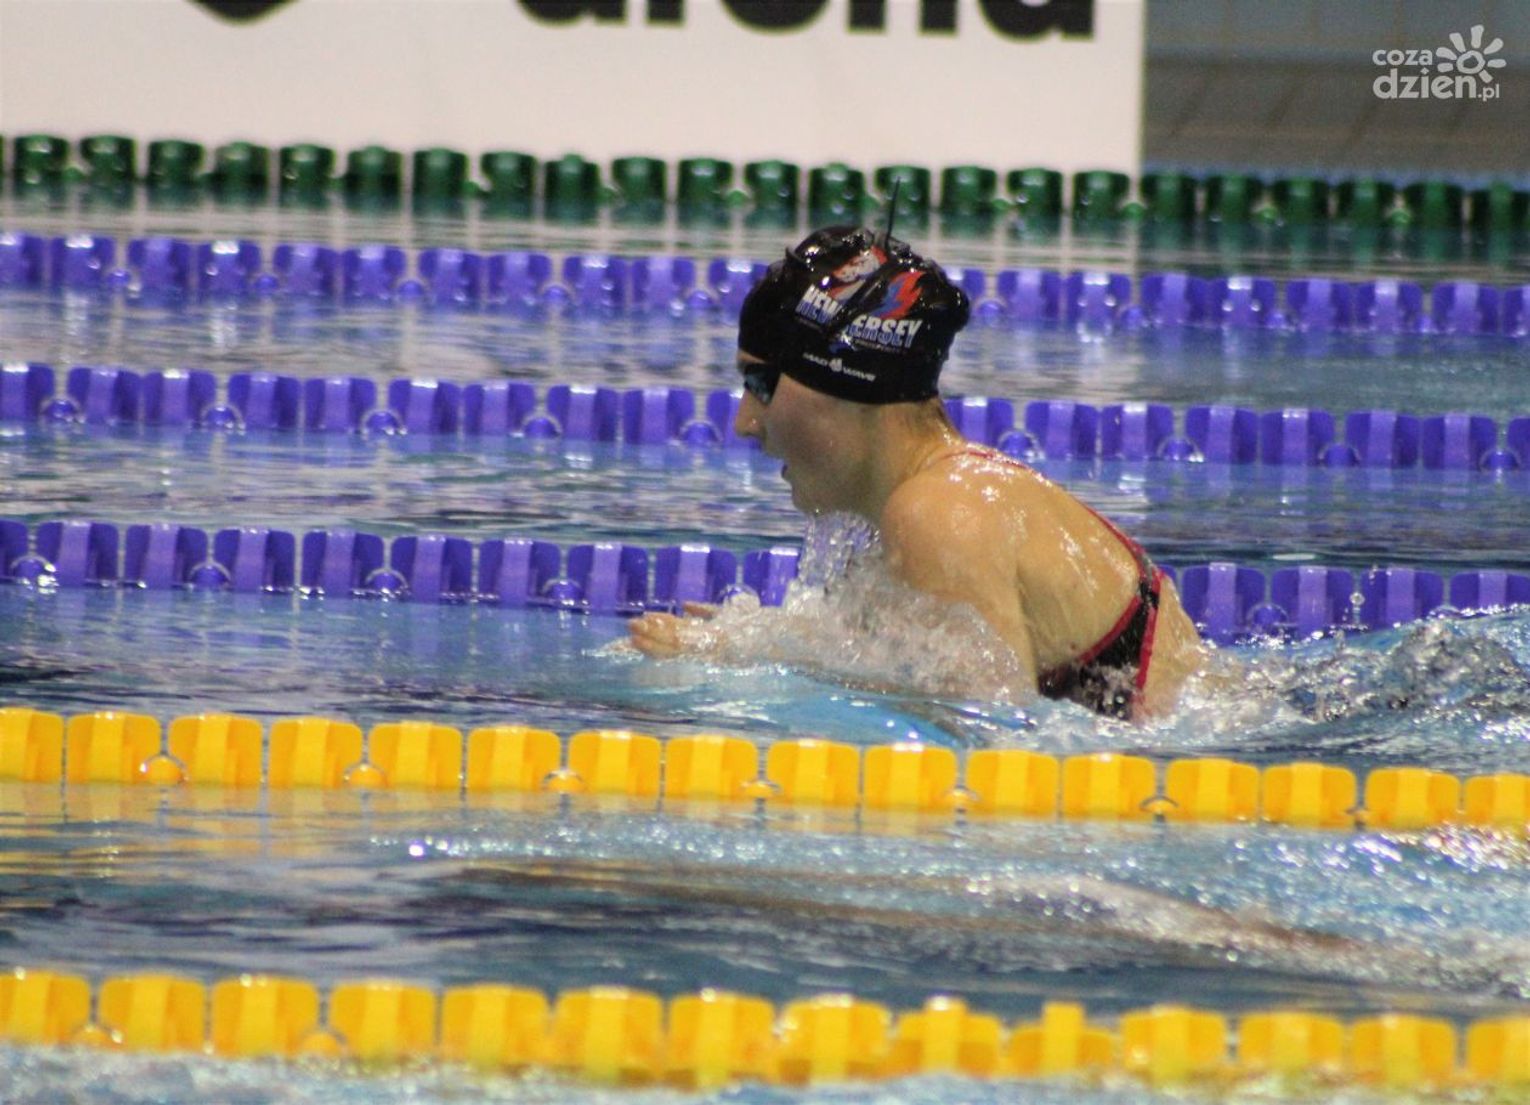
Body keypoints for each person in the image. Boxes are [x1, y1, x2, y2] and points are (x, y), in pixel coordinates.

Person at [628, 226, 1204, 719]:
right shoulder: (942, 496)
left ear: (839, 384)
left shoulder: (938, 513)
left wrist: (758, 664)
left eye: (761, 384)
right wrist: (764, 641)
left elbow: (989, 728)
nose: (744, 423)